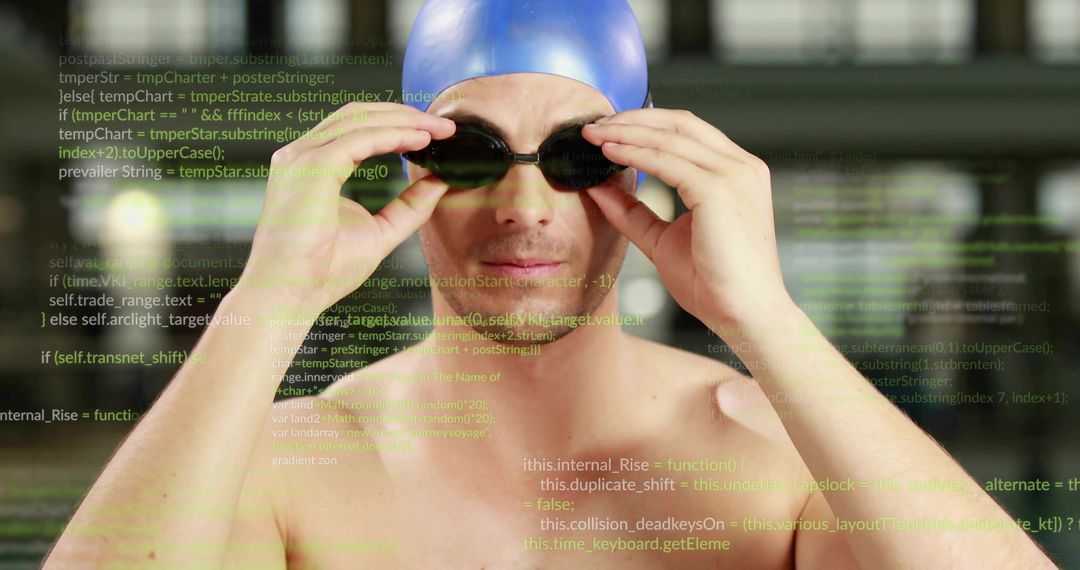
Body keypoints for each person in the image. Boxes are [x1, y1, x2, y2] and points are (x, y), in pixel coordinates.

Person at [45, 0, 1057, 568]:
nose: (525, 206)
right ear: (408, 172)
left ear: (641, 171)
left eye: (575, 157)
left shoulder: (784, 458)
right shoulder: (284, 467)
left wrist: (767, 319)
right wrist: (264, 307)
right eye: (475, 155)